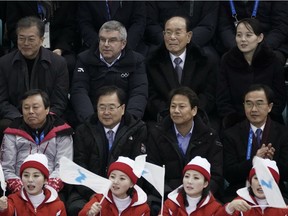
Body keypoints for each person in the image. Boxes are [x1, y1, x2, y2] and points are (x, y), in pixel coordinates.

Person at [67, 85, 147, 216]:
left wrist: (123, 192)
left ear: (122, 109)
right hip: (90, 191)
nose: (106, 112)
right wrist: (92, 194)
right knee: (76, 208)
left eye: (111, 107)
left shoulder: (137, 129)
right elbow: (79, 166)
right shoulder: (84, 129)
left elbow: (139, 166)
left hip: (125, 191)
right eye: (102, 107)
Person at [146, 86, 222, 215]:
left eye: (182, 107)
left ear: (194, 110)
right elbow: (151, 172)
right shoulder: (157, 134)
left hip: (200, 196)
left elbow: (216, 174)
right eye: (173, 106)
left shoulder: (209, 136)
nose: (176, 111)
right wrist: (172, 195)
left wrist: (198, 194)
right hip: (165, 196)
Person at [0, 16, 69, 142]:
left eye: (31, 39)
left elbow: (60, 101)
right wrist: (21, 117)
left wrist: (42, 117)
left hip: (48, 116)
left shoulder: (58, 63)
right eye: (21, 38)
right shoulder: (4, 63)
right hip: (15, 117)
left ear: (42, 39)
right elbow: (2, 100)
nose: (26, 43)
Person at [70, 20, 148, 124]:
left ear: (123, 43)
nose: (106, 44)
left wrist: (129, 122)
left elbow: (138, 93)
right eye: (102, 40)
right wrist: (90, 122)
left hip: (125, 118)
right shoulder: (84, 59)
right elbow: (79, 91)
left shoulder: (136, 61)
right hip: (92, 117)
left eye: (112, 40)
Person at [0, 89, 73, 196]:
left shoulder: (62, 131)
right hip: (19, 190)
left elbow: (63, 168)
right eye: (26, 108)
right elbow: (6, 168)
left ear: (47, 109)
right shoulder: (12, 131)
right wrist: (23, 190)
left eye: (35, 107)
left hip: (52, 190)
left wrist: (46, 191)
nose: (30, 111)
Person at [222, 84, 288, 202]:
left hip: (276, 192)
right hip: (240, 190)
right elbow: (229, 174)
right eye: (249, 104)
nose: (253, 109)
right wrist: (254, 160)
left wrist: (271, 162)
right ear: (244, 106)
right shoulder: (231, 134)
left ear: (270, 107)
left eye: (259, 103)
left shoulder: (283, 133)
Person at [217, 18, 286, 127]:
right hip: (236, 122)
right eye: (239, 35)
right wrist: (232, 120)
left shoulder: (272, 59)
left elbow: (279, 98)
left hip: (268, 121)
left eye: (248, 35)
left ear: (260, 37)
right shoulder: (227, 60)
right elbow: (223, 99)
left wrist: (263, 121)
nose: (243, 39)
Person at [146, 16, 216, 123]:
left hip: (197, 119)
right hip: (164, 120)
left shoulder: (205, 60)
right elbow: (152, 97)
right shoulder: (152, 61)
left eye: (178, 33)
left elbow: (208, 95)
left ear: (189, 36)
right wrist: (172, 113)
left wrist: (189, 113)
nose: (172, 37)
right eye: (168, 33)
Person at [5, 1, 79, 83]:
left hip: (56, 46)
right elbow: (13, 28)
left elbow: (69, 27)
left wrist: (60, 48)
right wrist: (32, 46)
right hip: (27, 45)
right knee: (12, 63)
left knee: (68, 62)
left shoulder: (67, 3)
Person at [216, 1, 288, 65]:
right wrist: (238, 48)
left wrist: (260, 49)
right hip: (236, 44)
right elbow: (224, 27)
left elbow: (280, 28)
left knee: (271, 60)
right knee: (226, 59)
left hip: (269, 44)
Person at [78, 156, 150, 216]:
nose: (115, 182)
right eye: (112, 177)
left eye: (122, 178)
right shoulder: (100, 198)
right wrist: (90, 213)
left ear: (131, 184)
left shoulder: (142, 207)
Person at [0, 153, 67, 215]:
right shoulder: (13, 200)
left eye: (36, 176)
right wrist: (3, 209)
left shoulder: (58, 206)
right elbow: (7, 213)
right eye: (26, 175)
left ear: (45, 180)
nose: (30, 180)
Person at [217, 158, 288, 215]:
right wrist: (229, 208)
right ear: (250, 182)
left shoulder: (283, 209)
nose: (260, 183)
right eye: (256, 178)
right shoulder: (239, 204)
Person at [77, 1, 147, 55]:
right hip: (96, 45)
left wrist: (125, 46)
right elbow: (85, 24)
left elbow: (138, 22)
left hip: (129, 44)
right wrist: (100, 45)